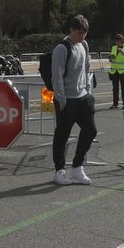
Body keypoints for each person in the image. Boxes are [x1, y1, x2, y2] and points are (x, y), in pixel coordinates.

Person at [50, 14, 97, 185]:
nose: (82, 36)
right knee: (62, 136)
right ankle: (59, 170)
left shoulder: (84, 44)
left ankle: (77, 167)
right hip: (66, 100)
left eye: (84, 33)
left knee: (91, 131)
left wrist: (87, 91)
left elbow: (86, 69)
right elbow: (57, 77)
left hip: (82, 97)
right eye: (78, 33)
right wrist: (62, 101)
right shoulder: (61, 49)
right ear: (71, 30)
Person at [108, 32, 124, 110]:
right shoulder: (113, 48)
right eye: (116, 41)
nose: (117, 42)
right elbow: (110, 59)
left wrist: (122, 52)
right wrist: (111, 57)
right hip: (115, 71)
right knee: (115, 88)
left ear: (122, 41)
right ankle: (115, 103)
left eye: (118, 41)